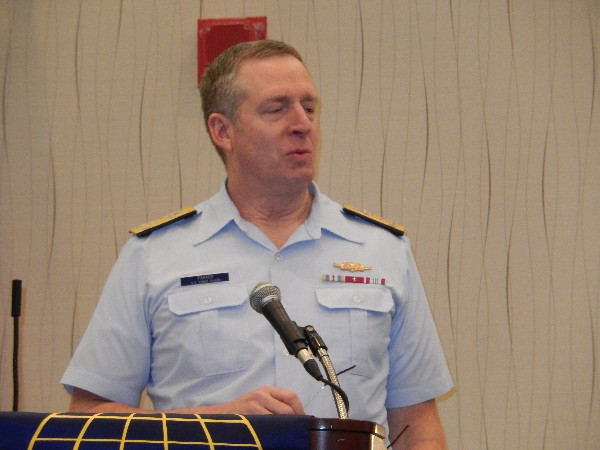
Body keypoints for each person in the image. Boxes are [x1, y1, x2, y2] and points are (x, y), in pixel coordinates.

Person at [61, 40, 453, 448]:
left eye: (309, 107)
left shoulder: (381, 249)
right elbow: (89, 417)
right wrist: (210, 421)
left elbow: (417, 424)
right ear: (222, 130)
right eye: (276, 108)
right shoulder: (155, 255)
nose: (302, 123)